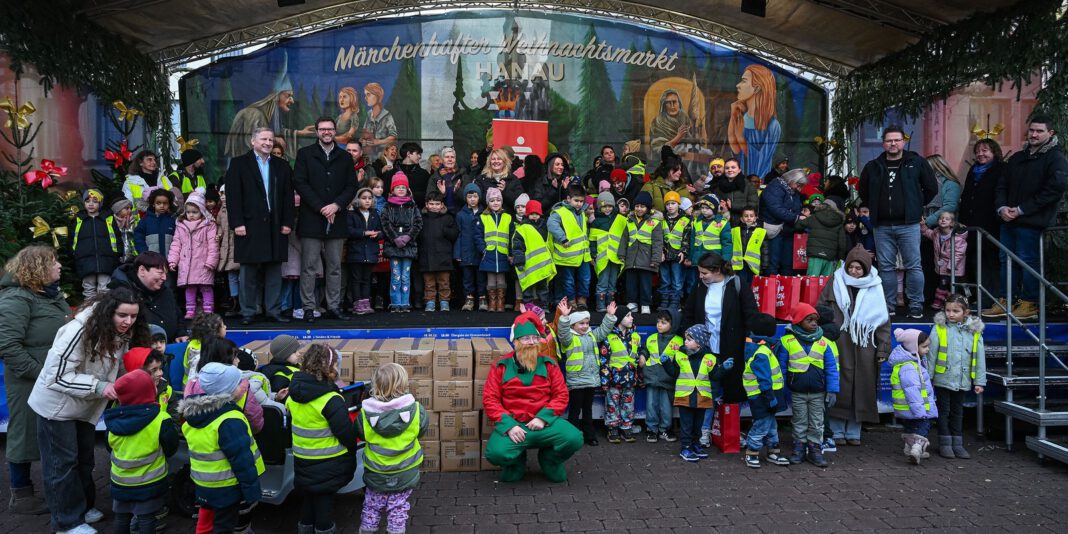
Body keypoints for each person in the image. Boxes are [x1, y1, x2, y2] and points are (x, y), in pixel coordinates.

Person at [29, 287, 150, 534]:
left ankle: (82, 509)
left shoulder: (118, 331)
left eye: (134, 316)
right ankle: (66, 523)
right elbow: (55, 376)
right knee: (61, 466)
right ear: (108, 312)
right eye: (122, 315)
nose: (128, 322)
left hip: (85, 404)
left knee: (84, 461)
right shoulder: (79, 330)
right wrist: (100, 386)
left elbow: (116, 367)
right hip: (56, 407)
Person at [0, 246, 70, 515]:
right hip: (29, 381)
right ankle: (22, 495)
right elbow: (8, 345)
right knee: (24, 433)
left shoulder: (50, 296)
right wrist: (41, 373)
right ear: (37, 268)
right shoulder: (16, 299)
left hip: (52, 379)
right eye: (53, 262)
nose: (60, 266)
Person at [985, 115, 1068, 320]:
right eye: (1031, 130)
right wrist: (1002, 207)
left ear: (1051, 133)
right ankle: (1006, 300)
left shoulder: (1055, 159)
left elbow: (1053, 191)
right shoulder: (1018, 158)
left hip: (1031, 220)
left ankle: (1029, 303)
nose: (1034, 134)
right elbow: (1002, 185)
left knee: (1027, 260)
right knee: (1006, 260)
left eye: (1039, 131)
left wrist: (1022, 209)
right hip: (1008, 219)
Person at [483, 313, 583, 481]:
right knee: (495, 453)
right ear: (516, 342)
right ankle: (516, 461)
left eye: (535, 338)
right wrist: (509, 426)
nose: (531, 343)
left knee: (574, 438)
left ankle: (549, 459)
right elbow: (490, 399)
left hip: (544, 425)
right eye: (526, 339)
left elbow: (561, 395)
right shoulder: (501, 366)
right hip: (515, 426)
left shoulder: (549, 364)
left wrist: (543, 418)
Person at [858, 126, 939, 318]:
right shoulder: (873, 166)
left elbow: (931, 188)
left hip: (909, 224)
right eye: (889, 140)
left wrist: (915, 205)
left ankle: (916, 305)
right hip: (882, 225)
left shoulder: (916, 162)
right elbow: (864, 192)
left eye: (896, 140)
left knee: (914, 265)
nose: (893, 143)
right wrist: (877, 208)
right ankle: (889, 305)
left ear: (903, 141)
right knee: (886, 267)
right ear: (883, 143)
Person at [818, 245, 891, 445]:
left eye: (859, 268)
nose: (854, 272)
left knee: (863, 385)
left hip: (866, 344)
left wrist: (883, 348)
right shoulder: (835, 281)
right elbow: (821, 309)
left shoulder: (875, 285)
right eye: (851, 267)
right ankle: (836, 429)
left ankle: (854, 431)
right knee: (840, 384)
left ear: (866, 269)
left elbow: (882, 320)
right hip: (840, 342)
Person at [178, 363, 264, 532]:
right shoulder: (230, 420)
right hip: (228, 487)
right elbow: (242, 460)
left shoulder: (195, 415)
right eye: (239, 382)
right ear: (228, 390)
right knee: (225, 526)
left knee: (211, 521)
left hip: (204, 483)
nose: (244, 385)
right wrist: (252, 490)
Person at [223, 126, 296, 325]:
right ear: (252, 141)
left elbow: (288, 196)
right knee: (248, 272)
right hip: (248, 225)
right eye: (263, 139)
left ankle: (272, 310)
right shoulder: (238, 164)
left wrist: (288, 222)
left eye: (271, 140)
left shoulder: (282, 166)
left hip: (276, 225)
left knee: (274, 271)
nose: (268, 143)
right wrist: (237, 223)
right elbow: (233, 197)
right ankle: (248, 312)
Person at [286, 344, 358, 534]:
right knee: (324, 504)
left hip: (303, 459)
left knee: (310, 498)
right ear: (330, 366)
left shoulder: (293, 395)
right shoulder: (331, 399)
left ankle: (305, 529)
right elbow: (346, 433)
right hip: (329, 462)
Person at [293, 117, 358, 322]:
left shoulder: (344, 157)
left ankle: (333, 306)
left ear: (335, 131)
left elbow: (351, 186)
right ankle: (309, 308)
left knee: (334, 266)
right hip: (312, 217)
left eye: (330, 129)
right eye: (322, 129)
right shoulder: (305, 154)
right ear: (316, 131)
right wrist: (322, 207)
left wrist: (336, 205)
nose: (326, 132)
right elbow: (300, 183)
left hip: (336, 218)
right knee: (309, 266)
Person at [103, 369, 179, 534]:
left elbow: (109, 446)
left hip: (120, 480)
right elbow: (171, 446)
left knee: (121, 517)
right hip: (150, 480)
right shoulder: (160, 419)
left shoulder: (112, 421)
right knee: (146, 518)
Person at [355, 363, 425, 533]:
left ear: (375, 385)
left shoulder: (364, 413)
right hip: (405, 469)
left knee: (372, 504)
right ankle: (395, 530)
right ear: (403, 384)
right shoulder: (416, 410)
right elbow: (421, 431)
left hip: (376, 469)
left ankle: (367, 529)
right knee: (399, 506)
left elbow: (361, 434)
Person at [779, 302, 839, 468]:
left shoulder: (824, 342)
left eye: (815, 320)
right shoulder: (787, 341)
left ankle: (814, 450)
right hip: (797, 392)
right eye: (809, 320)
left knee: (816, 422)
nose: (814, 323)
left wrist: (832, 390)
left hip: (818, 392)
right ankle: (799, 448)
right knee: (799, 421)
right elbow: (781, 368)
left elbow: (831, 368)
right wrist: (782, 389)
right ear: (798, 321)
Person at [929, 294, 986, 459]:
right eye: (948, 310)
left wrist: (979, 381)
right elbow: (931, 355)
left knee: (957, 412)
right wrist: (929, 379)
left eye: (956, 311)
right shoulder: (939, 328)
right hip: (943, 378)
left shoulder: (974, 331)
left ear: (966, 312)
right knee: (943, 411)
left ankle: (957, 443)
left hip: (963, 380)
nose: (951, 314)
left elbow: (980, 358)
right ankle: (945, 443)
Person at [663, 324, 731, 462]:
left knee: (698, 424)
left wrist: (723, 368)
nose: (685, 342)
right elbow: (674, 373)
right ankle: (685, 447)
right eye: (685, 339)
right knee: (687, 424)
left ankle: (695, 444)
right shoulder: (679, 355)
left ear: (699, 342)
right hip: (685, 396)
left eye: (689, 339)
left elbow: (715, 376)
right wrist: (666, 364)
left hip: (702, 397)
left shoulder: (710, 358)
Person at [557, 298, 616, 445]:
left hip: (590, 379)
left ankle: (590, 436)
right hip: (576, 380)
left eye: (587, 323)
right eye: (581, 323)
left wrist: (609, 316)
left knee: (588, 410)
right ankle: (572, 437)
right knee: (575, 410)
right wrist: (564, 318)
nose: (585, 326)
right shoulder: (569, 338)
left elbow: (603, 331)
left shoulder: (591, 335)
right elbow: (562, 334)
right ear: (573, 324)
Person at [958, 138, 1005, 301]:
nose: (980, 154)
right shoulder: (973, 171)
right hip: (971, 226)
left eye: (985, 150)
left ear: (994, 152)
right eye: (978, 151)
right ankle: (978, 298)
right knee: (974, 262)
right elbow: (966, 197)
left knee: (990, 263)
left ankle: (992, 299)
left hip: (991, 225)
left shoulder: (1001, 170)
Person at [740, 321, 789, 469]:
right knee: (761, 425)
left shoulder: (761, 348)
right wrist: (771, 397)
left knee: (771, 424)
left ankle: (773, 450)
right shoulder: (761, 352)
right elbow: (764, 379)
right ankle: (752, 451)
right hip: (764, 396)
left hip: (764, 395)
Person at [889, 328, 938, 464]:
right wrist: (920, 410)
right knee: (923, 427)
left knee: (910, 428)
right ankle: (917, 449)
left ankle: (909, 448)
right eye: (924, 347)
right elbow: (912, 390)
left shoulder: (908, 363)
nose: (927, 349)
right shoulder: (909, 366)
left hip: (907, 407)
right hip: (917, 406)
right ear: (913, 347)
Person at [168, 191, 220, 318]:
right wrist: (172, 261)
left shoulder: (209, 225)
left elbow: (213, 245)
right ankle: (190, 310)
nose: (191, 215)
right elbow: (176, 244)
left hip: (203, 263)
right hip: (187, 263)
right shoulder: (181, 225)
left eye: (194, 212)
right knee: (190, 287)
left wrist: (211, 262)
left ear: (202, 211)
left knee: (206, 287)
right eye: (188, 212)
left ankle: (208, 309)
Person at [108, 252, 178, 342]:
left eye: (165, 273)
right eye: (160, 273)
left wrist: (181, 333)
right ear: (142, 270)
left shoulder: (166, 291)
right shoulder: (121, 294)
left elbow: (177, 314)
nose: (164, 278)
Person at [728, 64, 781, 177]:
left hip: (758, 182)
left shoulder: (772, 125)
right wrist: (733, 116)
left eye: (744, 81)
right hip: (741, 180)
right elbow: (736, 150)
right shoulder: (742, 117)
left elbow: (759, 160)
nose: (738, 85)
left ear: (757, 88)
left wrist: (740, 135)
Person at [380, 172, 422, 312]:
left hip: (408, 245)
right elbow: (385, 223)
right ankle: (395, 302)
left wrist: (408, 237)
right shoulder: (388, 206)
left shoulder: (413, 206)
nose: (401, 189)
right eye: (398, 187)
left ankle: (405, 303)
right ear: (392, 190)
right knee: (396, 275)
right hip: (394, 245)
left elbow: (418, 223)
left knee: (405, 275)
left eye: (404, 187)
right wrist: (395, 238)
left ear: (407, 189)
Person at [598, 308, 641, 443]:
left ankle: (626, 427)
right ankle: (613, 428)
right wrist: (604, 381)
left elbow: (638, 357)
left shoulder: (636, 337)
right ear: (619, 319)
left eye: (631, 315)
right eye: (628, 315)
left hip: (630, 379)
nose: (632, 318)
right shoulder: (609, 337)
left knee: (628, 405)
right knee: (612, 405)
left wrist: (639, 377)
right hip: (613, 380)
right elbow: (604, 361)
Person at [619, 191, 664, 315]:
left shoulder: (654, 223)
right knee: (631, 283)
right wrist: (621, 254)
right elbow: (624, 238)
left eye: (642, 206)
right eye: (637, 206)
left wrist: (655, 260)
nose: (639, 209)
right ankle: (632, 303)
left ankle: (645, 304)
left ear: (648, 208)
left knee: (645, 284)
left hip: (646, 260)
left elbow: (657, 242)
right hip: (631, 258)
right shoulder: (629, 221)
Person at [548, 185, 592, 307]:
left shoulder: (582, 213)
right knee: (568, 281)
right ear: (568, 198)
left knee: (586, 279)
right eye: (576, 200)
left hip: (583, 254)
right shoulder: (560, 212)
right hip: (567, 254)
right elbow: (551, 224)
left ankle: (582, 300)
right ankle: (571, 301)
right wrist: (562, 238)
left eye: (581, 201)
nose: (579, 204)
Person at [640, 311, 681, 443]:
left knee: (666, 406)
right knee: (651, 404)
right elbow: (645, 349)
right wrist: (642, 356)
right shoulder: (651, 338)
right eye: (658, 322)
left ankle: (664, 429)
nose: (659, 325)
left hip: (668, 379)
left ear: (672, 324)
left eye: (664, 322)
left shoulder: (679, 341)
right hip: (651, 376)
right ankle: (652, 429)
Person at [72, 188, 119, 299]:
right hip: (85, 260)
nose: (91, 204)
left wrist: (117, 253)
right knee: (88, 289)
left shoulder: (108, 219)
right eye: (88, 201)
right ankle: (89, 314)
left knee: (105, 289)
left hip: (105, 260)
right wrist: (74, 253)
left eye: (95, 201)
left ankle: (103, 312)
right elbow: (72, 239)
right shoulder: (79, 220)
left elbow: (117, 236)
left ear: (100, 203)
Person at [760, 168, 806, 275]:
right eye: (799, 185)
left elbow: (795, 208)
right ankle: (771, 288)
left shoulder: (792, 191)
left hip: (787, 229)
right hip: (774, 229)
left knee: (788, 263)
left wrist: (796, 216)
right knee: (773, 262)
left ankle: (786, 288)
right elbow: (776, 209)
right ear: (792, 181)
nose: (800, 189)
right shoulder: (774, 187)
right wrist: (796, 217)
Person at [419, 191, 459, 311]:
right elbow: (417, 235)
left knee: (444, 282)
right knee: (429, 282)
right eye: (431, 204)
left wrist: (445, 231)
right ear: (426, 204)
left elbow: (455, 234)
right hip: (426, 255)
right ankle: (430, 301)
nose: (434, 206)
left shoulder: (448, 218)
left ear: (442, 205)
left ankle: (444, 301)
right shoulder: (422, 218)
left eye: (437, 204)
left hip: (444, 256)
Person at [475, 187, 513, 312]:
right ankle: (492, 302)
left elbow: (513, 236)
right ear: (487, 203)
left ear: (502, 201)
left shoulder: (508, 217)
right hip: (489, 253)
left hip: (503, 254)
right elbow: (478, 235)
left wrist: (511, 253)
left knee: (501, 279)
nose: (495, 203)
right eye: (492, 200)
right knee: (491, 279)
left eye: (498, 200)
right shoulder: (483, 217)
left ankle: (500, 302)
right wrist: (483, 250)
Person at [920, 212, 968, 310]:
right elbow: (927, 233)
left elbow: (959, 253)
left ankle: (955, 304)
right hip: (942, 266)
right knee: (943, 283)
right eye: (941, 218)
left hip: (955, 268)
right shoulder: (936, 233)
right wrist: (922, 225)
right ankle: (942, 303)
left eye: (947, 219)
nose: (943, 220)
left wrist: (951, 265)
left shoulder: (957, 237)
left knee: (954, 286)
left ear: (952, 223)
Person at [512, 199, 555, 308]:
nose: (534, 216)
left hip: (542, 264)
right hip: (528, 265)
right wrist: (520, 262)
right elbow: (517, 247)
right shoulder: (522, 229)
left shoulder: (545, 227)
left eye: (537, 214)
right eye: (532, 214)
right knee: (527, 288)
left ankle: (544, 307)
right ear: (527, 214)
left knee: (543, 288)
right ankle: (529, 308)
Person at [346, 187, 382, 315]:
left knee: (367, 278)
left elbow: (381, 231)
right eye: (364, 198)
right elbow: (349, 231)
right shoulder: (351, 214)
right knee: (356, 279)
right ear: (357, 199)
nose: (367, 201)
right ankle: (357, 304)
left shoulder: (375, 214)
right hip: (356, 252)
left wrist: (377, 235)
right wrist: (364, 233)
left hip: (371, 252)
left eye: (370, 198)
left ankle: (366, 303)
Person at [589, 192, 626, 312]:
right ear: (599, 207)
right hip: (602, 257)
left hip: (615, 256)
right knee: (602, 282)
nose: (608, 209)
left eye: (610, 206)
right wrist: (593, 254)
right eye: (604, 206)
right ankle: (600, 305)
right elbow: (592, 241)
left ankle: (610, 304)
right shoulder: (596, 222)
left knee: (612, 282)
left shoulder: (620, 219)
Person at [688, 195, 731, 296]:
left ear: (714, 209)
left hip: (714, 260)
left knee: (713, 283)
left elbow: (727, 243)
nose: (704, 210)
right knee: (697, 283)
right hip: (698, 259)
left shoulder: (722, 223)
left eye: (707, 208)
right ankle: (697, 302)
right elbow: (693, 240)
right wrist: (690, 257)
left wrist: (726, 259)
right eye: (702, 208)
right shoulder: (696, 221)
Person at [455, 183, 485, 311]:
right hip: (466, 251)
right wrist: (457, 253)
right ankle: (469, 299)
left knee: (481, 278)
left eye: (475, 196)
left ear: (479, 197)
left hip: (480, 252)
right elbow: (458, 234)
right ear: (465, 198)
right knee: (467, 278)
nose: (472, 199)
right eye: (469, 196)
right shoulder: (460, 215)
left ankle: (482, 299)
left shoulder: (484, 213)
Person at [797, 198, 847, 276]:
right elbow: (842, 243)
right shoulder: (838, 221)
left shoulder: (814, 217)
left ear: (821, 206)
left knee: (812, 280)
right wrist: (840, 257)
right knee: (826, 283)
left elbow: (798, 226)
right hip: (830, 256)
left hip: (815, 254)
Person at [659, 191, 691, 312]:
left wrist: (684, 251)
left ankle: (675, 301)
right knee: (665, 279)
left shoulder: (686, 220)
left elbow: (686, 238)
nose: (670, 206)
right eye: (667, 204)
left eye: (673, 203)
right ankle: (664, 300)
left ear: (678, 204)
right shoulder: (661, 219)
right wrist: (660, 251)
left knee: (677, 280)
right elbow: (659, 237)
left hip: (678, 255)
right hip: (665, 255)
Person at [215, 186, 242, 317]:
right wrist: (218, 234)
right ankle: (234, 300)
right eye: (221, 193)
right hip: (227, 247)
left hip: (237, 246)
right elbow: (220, 225)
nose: (223, 196)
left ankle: (243, 301)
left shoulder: (238, 207)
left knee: (243, 276)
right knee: (232, 276)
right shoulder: (221, 211)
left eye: (226, 193)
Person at [710, 158, 759, 226]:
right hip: (725, 223)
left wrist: (733, 205)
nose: (730, 170)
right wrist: (722, 207)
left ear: (739, 170)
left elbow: (754, 206)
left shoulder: (748, 186)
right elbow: (715, 204)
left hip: (744, 224)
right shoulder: (718, 186)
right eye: (727, 168)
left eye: (733, 167)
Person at [475, 148, 525, 213]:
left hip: (507, 218)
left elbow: (518, 200)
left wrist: (505, 191)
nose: (496, 161)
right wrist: (492, 194)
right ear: (489, 162)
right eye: (493, 159)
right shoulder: (481, 179)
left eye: (499, 159)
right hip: (486, 218)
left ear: (504, 162)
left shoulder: (513, 179)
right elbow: (477, 198)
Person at [359, 82, 398, 162]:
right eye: (365, 95)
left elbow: (393, 137)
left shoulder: (387, 116)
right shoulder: (369, 115)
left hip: (383, 158)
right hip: (369, 157)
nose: (365, 98)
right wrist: (363, 140)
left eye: (368, 94)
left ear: (377, 96)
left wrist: (378, 142)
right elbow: (364, 133)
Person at [649, 89, 695, 156]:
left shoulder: (684, 117)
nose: (672, 106)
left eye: (674, 102)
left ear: (679, 103)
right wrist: (678, 137)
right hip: (666, 158)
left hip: (687, 155)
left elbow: (690, 138)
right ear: (664, 105)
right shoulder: (658, 122)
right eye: (668, 103)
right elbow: (657, 149)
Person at [133, 188, 177, 257]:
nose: (162, 206)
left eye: (165, 203)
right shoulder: (145, 220)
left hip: (168, 261)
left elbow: (177, 242)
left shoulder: (173, 221)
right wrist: (144, 253)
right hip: (150, 261)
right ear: (153, 204)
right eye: (158, 203)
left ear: (169, 205)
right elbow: (138, 238)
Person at [730, 206, 767, 289]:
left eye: (751, 216)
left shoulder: (761, 232)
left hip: (753, 266)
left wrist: (764, 266)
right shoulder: (735, 230)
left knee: (751, 286)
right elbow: (730, 246)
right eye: (746, 216)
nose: (749, 218)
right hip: (738, 264)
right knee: (740, 285)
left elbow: (765, 250)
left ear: (755, 218)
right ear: (741, 218)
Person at [394, 142, 431, 208]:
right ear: (408, 154)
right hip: (396, 212)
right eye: (418, 154)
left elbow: (428, 193)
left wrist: (412, 195)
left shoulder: (424, 173)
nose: (420, 157)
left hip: (418, 211)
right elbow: (386, 194)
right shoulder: (392, 173)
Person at [110, 198, 139, 265]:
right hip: (118, 257)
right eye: (126, 208)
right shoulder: (111, 223)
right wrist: (120, 228)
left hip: (134, 255)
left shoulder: (135, 221)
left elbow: (135, 236)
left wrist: (129, 227)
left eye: (130, 208)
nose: (130, 210)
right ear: (118, 210)